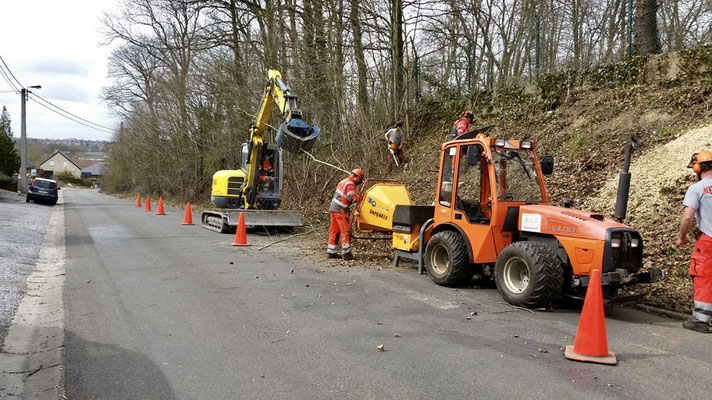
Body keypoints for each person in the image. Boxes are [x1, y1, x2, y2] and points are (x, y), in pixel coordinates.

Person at [677, 150, 712, 333]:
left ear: (697, 167)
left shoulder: (697, 188)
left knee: (703, 277)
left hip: (708, 241)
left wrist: (682, 237)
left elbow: (688, 217)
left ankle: (700, 319)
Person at [327, 168, 364, 260]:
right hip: (341, 210)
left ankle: (331, 251)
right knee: (345, 231)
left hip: (333, 208)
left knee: (334, 231)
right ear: (357, 178)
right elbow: (351, 198)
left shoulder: (343, 181)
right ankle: (346, 253)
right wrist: (359, 198)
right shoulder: (350, 184)